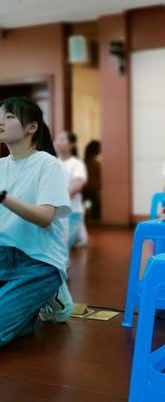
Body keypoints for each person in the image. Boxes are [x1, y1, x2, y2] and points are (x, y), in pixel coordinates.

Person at [0, 97, 73, 346]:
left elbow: (45, 217)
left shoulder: (47, 164)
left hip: (38, 261)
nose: (1, 121)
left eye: (9, 116)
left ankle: (50, 290)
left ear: (31, 127)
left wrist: (3, 197)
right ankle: (26, 311)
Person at [54, 131, 88, 249]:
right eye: (57, 139)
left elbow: (77, 185)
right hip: (54, 212)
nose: (58, 142)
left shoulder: (77, 164)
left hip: (72, 212)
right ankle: (81, 235)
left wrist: (58, 200)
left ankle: (80, 234)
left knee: (61, 247)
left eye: (62, 139)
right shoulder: (52, 163)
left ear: (71, 144)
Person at [83, 140, 102, 221]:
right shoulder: (96, 163)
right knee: (93, 208)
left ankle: (88, 217)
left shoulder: (84, 162)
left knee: (87, 206)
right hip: (92, 190)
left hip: (86, 189)